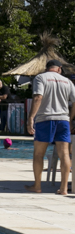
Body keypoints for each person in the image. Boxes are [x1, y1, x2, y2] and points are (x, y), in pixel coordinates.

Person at [25, 59, 75, 195]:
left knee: (38, 154)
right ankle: (63, 189)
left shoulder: (41, 78)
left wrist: (30, 118)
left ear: (47, 68)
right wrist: (70, 119)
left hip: (45, 119)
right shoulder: (67, 81)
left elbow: (38, 97)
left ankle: (37, 186)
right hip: (63, 120)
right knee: (64, 154)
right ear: (59, 68)